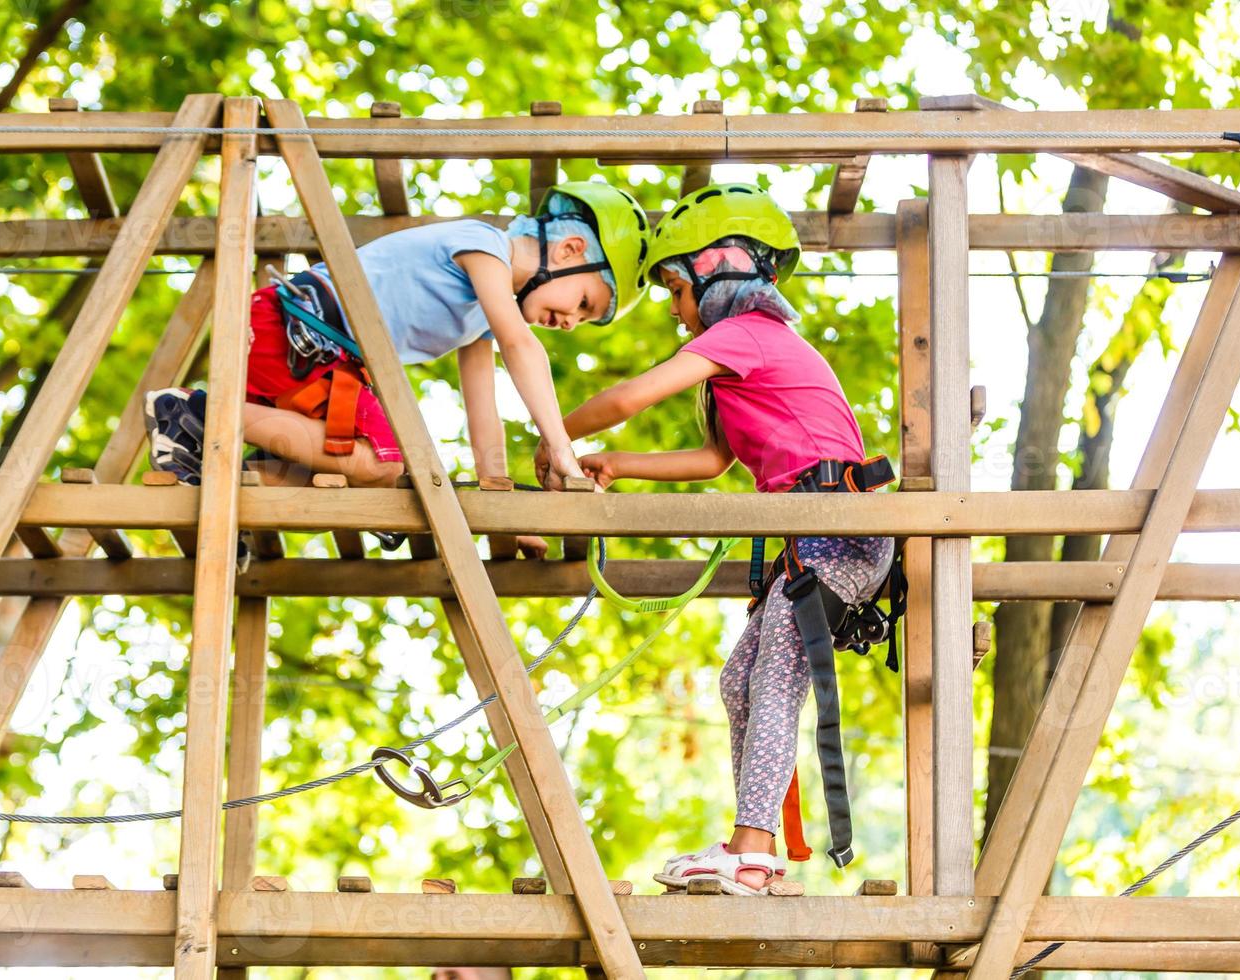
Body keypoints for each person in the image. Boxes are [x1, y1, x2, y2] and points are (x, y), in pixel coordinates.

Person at [547, 184, 894, 895]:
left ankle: (754, 849)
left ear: (715, 272)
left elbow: (627, 398)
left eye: (675, 288)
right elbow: (715, 461)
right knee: (740, 680)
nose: (674, 309)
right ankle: (753, 842)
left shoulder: (742, 336)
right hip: (814, 535)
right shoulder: (744, 356)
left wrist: (553, 432)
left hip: (836, 530)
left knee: (772, 677)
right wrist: (616, 464)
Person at [144, 181, 651, 557]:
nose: (571, 323)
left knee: (364, 485)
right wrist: (560, 447)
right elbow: (521, 346)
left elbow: (484, 414)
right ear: (568, 250)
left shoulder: (481, 321)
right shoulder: (484, 246)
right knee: (383, 461)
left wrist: (502, 507)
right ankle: (197, 411)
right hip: (298, 330)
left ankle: (218, 473)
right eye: (583, 302)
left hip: (325, 362)